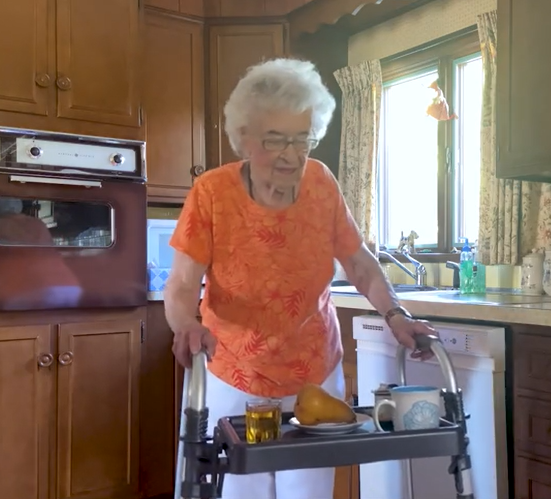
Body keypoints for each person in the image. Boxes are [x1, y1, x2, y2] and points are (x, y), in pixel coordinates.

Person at [164, 58, 436, 499]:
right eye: (276, 140)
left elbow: (360, 263)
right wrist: (186, 325)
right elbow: (180, 284)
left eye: (301, 139)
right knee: (238, 490)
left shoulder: (322, 184)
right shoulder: (212, 193)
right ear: (245, 139)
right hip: (234, 371)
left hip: (314, 369)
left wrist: (396, 313)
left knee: (306, 491)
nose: (291, 155)